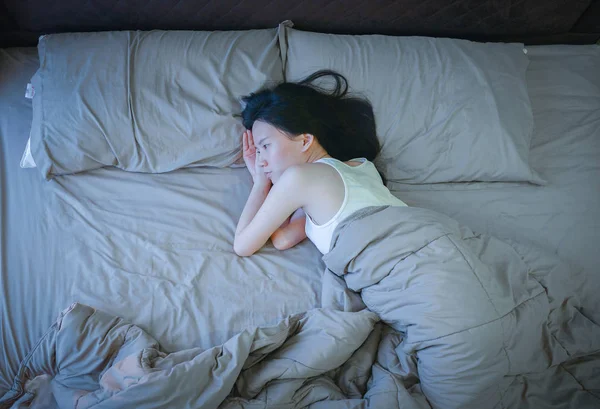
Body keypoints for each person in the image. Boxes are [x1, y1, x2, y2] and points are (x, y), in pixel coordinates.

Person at [234, 70, 407, 257]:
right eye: (258, 151)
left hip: (402, 258)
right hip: (424, 238)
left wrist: (260, 184)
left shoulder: (298, 178)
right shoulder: (362, 165)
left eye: (266, 146)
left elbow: (243, 246)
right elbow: (283, 239)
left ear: (305, 141)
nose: (260, 162)